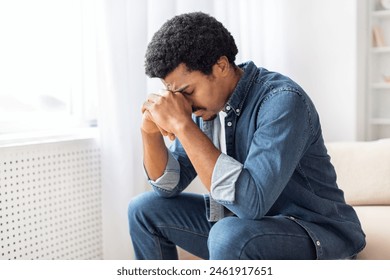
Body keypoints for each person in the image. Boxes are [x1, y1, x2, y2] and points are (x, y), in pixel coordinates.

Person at [128, 11, 366, 260]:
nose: (183, 104)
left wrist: (182, 126)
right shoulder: (203, 106)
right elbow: (168, 187)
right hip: (246, 227)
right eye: (174, 94)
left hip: (314, 231)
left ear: (220, 66)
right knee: (143, 210)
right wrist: (149, 132)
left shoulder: (282, 101)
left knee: (228, 234)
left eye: (187, 91)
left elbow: (249, 204)